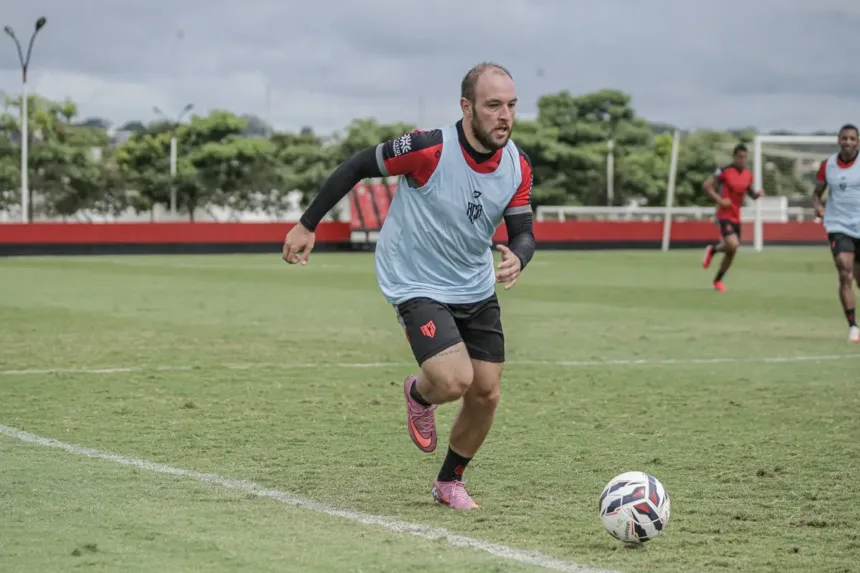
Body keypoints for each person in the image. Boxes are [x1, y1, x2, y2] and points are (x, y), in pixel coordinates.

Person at [281, 62, 536, 510]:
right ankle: (419, 393)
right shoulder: (428, 148)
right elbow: (359, 165)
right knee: (454, 380)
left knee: (487, 392)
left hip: (474, 286)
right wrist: (308, 223)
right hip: (416, 280)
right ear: (466, 107)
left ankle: (449, 482)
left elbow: (522, 230)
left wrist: (520, 255)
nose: (505, 116)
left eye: (511, 105)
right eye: (493, 105)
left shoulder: (517, 165)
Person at [812, 123, 860, 343]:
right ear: (839, 141)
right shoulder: (828, 165)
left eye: (852, 138)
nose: (848, 142)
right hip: (838, 225)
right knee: (844, 269)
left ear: (857, 141)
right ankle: (853, 326)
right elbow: (817, 193)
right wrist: (817, 206)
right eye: (844, 138)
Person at [701, 143, 765, 291]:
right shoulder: (724, 171)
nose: (743, 160)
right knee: (733, 244)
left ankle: (717, 279)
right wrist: (720, 201)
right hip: (724, 215)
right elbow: (706, 186)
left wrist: (757, 194)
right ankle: (714, 251)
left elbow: (750, 194)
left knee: (732, 250)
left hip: (737, 216)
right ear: (735, 157)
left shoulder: (748, 175)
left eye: (745, 157)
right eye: (740, 157)